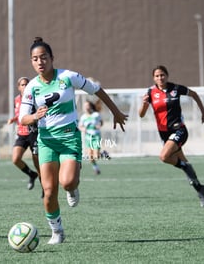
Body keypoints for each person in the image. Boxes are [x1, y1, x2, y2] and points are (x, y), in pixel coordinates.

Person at [19, 37, 127, 244]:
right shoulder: (31, 87)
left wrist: (116, 112)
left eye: (43, 57)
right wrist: (34, 116)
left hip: (69, 138)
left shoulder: (68, 77)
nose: (40, 62)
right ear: (31, 62)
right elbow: (23, 117)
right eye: (35, 59)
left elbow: (96, 90)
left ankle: (73, 186)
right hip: (47, 141)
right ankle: (57, 231)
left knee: (67, 182)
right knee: (49, 192)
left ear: (52, 58)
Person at [138, 65, 204, 207]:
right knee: (184, 162)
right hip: (164, 134)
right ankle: (200, 189)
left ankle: (184, 168)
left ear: (167, 75)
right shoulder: (150, 92)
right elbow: (141, 114)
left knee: (164, 156)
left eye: (162, 75)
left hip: (179, 130)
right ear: (154, 78)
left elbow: (194, 94)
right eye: (157, 76)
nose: (160, 78)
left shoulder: (176, 89)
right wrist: (144, 105)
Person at [7, 77, 40, 190]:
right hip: (21, 133)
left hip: (34, 133)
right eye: (22, 85)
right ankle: (31, 174)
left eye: (27, 84)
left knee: (38, 163)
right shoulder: (16, 99)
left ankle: (45, 188)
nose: (25, 86)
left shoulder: (34, 98)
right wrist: (14, 119)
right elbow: (21, 114)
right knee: (15, 159)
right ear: (18, 87)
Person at [79, 100, 103, 175]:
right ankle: (96, 168)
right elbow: (80, 126)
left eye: (87, 105)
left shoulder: (96, 115)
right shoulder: (83, 117)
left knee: (96, 156)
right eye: (85, 106)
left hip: (96, 136)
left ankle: (100, 153)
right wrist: (83, 129)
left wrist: (99, 125)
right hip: (88, 137)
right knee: (90, 156)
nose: (86, 107)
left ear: (90, 106)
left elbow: (101, 122)